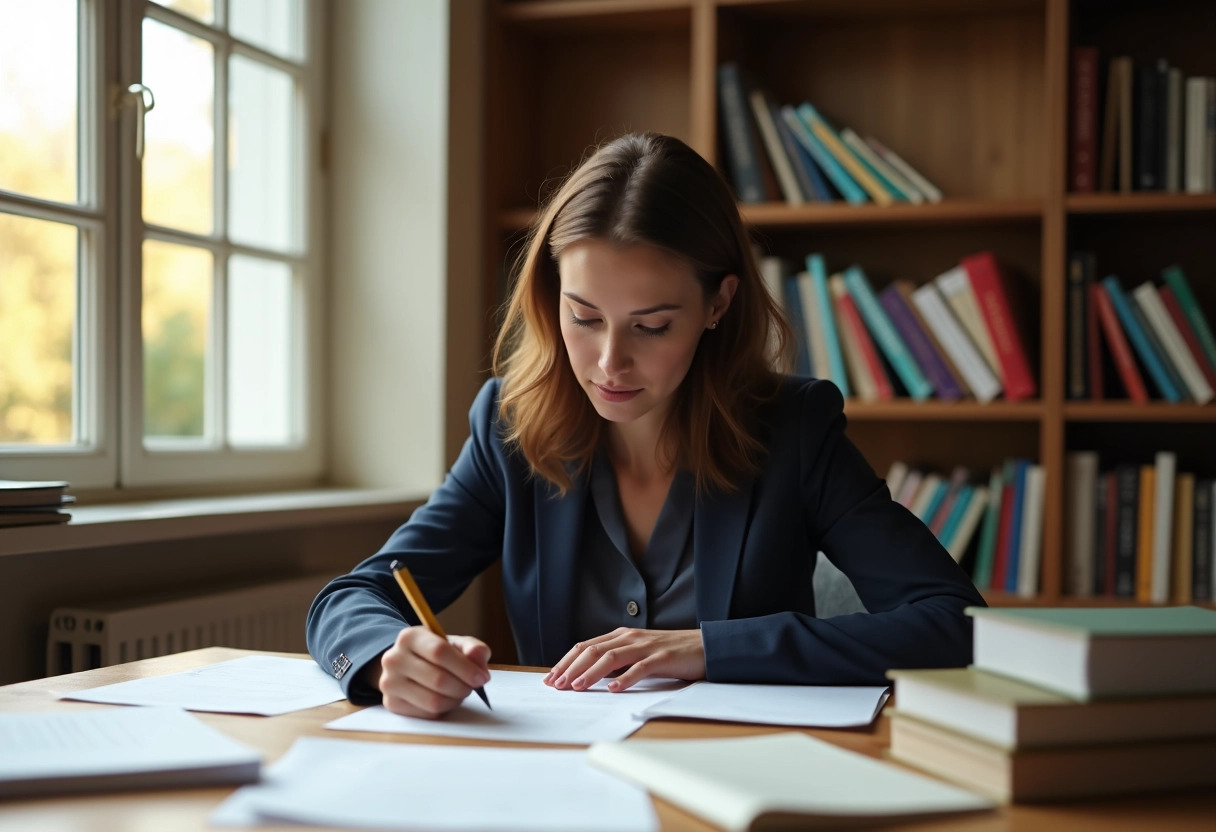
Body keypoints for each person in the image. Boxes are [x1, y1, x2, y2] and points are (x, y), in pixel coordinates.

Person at [307, 132, 986, 719]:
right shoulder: (509, 427)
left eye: (652, 326)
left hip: (738, 780)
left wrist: (709, 648)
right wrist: (387, 659)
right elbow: (355, 596)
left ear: (718, 303)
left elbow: (954, 623)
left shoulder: (794, 430)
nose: (609, 362)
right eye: (584, 316)